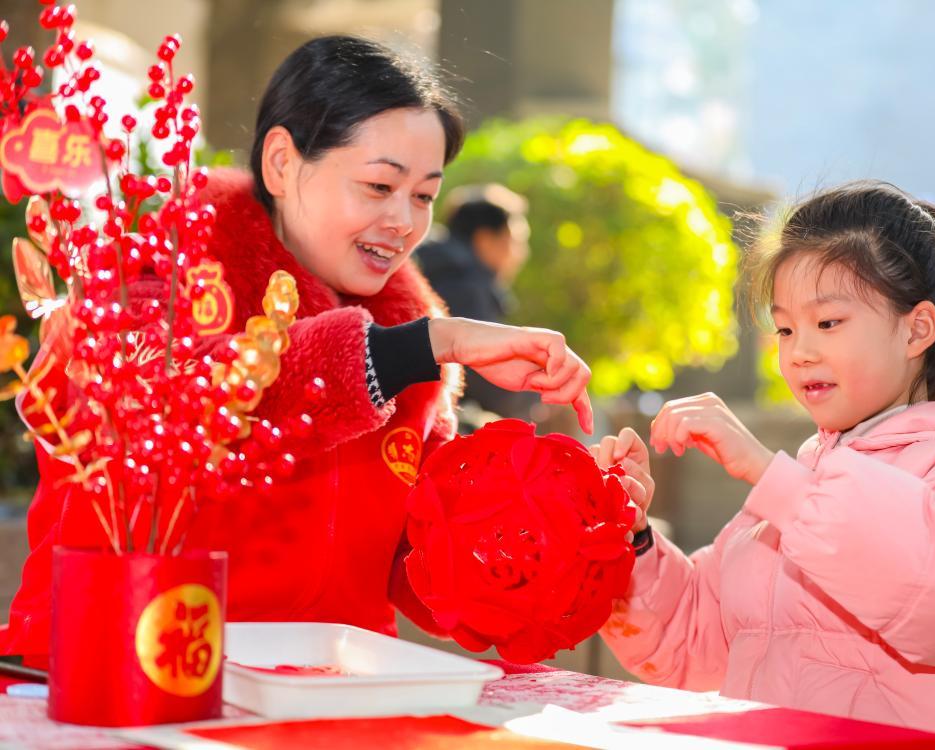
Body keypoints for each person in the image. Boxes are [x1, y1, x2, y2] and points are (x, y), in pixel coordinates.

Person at [2, 35, 593, 655]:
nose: (403, 222)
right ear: (282, 163)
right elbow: (188, 407)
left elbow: (432, 576)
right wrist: (416, 347)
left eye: (423, 195)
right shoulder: (155, 272)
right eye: (377, 186)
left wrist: (578, 518)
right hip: (119, 681)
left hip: (326, 701)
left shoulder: (409, 340)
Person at [592, 182, 935, 749]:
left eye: (828, 324)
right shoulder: (805, 481)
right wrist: (633, 536)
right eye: (786, 329)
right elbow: (690, 641)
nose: (800, 352)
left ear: (917, 329)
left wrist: (770, 476)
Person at [415, 184, 537, 423]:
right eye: (516, 241)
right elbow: (488, 384)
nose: (521, 254)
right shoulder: (464, 286)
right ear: (484, 240)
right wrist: (536, 391)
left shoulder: (434, 271)